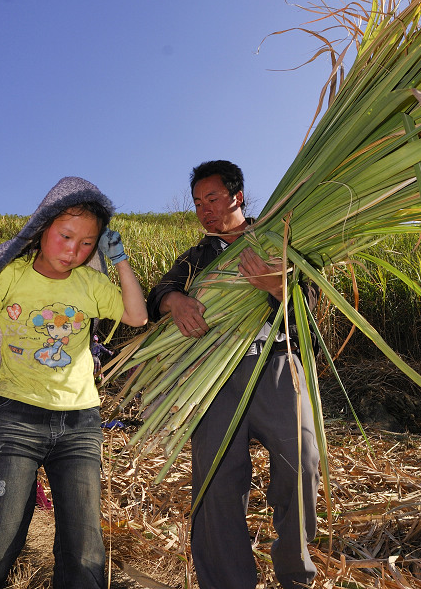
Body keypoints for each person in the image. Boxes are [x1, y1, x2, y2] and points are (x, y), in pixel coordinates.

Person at [0, 176, 147, 589]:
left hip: (80, 424)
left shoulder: (91, 283)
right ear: (42, 227)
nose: (72, 251)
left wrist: (121, 260)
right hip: (16, 419)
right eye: (65, 236)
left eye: (86, 243)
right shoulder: (10, 277)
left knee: (85, 552)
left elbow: (137, 316)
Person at [147, 160, 320, 589]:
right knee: (217, 482)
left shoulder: (278, 237)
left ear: (237, 196)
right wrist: (177, 303)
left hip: (277, 364)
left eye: (213, 198)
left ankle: (296, 575)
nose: (204, 210)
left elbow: (310, 299)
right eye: (198, 203)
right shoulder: (196, 258)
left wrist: (278, 286)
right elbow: (158, 294)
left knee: (302, 465)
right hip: (215, 377)